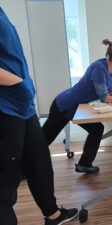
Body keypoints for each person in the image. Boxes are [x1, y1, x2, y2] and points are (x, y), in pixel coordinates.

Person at [0, 7, 78, 225]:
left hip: (23, 105)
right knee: (6, 182)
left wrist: (24, 88)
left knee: (39, 161)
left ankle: (53, 214)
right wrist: (19, 83)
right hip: (5, 108)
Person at [42, 39, 112, 174]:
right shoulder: (98, 68)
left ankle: (84, 165)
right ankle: (21, 169)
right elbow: (105, 97)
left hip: (77, 106)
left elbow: (111, 92)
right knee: (43, 140)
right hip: (65, 105)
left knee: (97, 129)